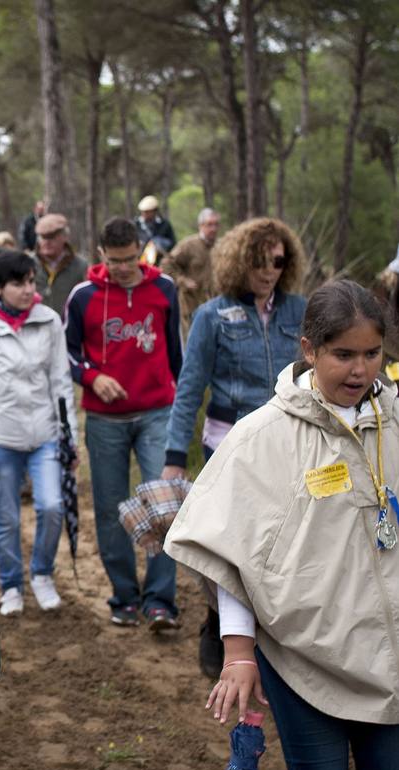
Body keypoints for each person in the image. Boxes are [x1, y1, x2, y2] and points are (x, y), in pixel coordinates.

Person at [166, 280, 399, 770]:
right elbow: (232, 553)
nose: (358, 369)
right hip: (298, 650)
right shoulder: (261, 436)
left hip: (384, 649)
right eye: (343, 354)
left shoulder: (395, 418)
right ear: (309, 349)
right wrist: (239, 655)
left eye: (371, 354)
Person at [161, 217, 307, 677]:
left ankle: (278, 638)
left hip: (292, 443)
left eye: (277, 261)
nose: (268, 271)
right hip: (228, 446)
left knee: (285, 544)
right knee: (229, 545)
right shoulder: (211, 316)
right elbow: (189, 389)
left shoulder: (301, 311)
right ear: (236, 261)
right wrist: (171, 459)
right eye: (258, 261)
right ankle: (216, 621)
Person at [65, 217, 183, 630]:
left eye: (131, 258)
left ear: (141, 250)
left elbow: (176, 355)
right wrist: (93, 376)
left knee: (164, 506)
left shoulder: (164, 289)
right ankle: (125, 597)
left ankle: (160, 601)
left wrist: (181, 408)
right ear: (101, 255)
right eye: (116, 261)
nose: (125, 267)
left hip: (157, 413)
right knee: (111, 508)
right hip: (104, 419)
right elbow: (68, 355)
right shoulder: (83, 297)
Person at [0, 250, 75, 616]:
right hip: (1, 438)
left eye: (31, 281)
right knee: (7, 517)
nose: (28, 289)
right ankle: (12, 584)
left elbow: (61, 380)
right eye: (18, 283)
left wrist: (68, 435)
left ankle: (42, 573)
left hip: (45, 434)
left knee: (51, 505)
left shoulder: (48, 321)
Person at [163, 208, 221, 338]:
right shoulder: (188, 245)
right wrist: (182, 281)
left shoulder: (221, 246)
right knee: (193, 346)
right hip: (192, 306)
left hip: (215, 306)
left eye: (216, 224)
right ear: (201, 226)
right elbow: (166, 264)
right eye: (209, 224)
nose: (213, 228)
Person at [32, 213, 90, 317]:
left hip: (69, 327)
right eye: (43, 237)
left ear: (65, 237)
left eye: (51, 237)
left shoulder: (80, 266)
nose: (46, 242)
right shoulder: (29, 264)